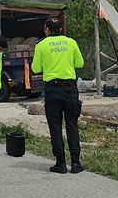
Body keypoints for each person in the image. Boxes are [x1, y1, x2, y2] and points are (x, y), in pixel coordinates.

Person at [31, 18, 85, 173]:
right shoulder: (71, 42)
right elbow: (80, 64)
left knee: (55, 126)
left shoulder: (41, 45)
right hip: (70, 89)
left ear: (47, 29)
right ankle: (75, 163)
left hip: (52, 90)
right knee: (72, 125)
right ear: (60, 29)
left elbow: (35, 68)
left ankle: (60, 163)